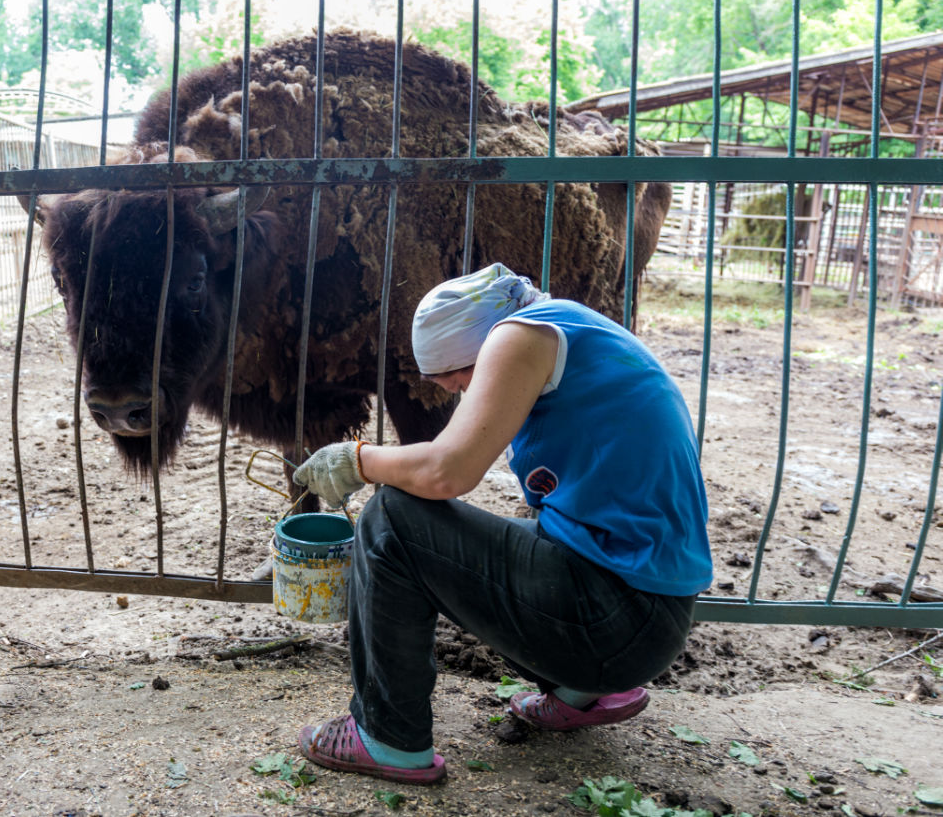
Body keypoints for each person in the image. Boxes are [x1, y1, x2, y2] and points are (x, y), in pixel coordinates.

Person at [291, 262, 712, 785]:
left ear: (479, 348)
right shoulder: (572, 328)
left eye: (458, 377)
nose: (458, 392)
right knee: (521, 534)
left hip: (619, 622)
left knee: (391, 520)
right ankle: (583, 690)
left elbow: (448, 471)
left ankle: (388, 737)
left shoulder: (519, 336)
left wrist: (355, 460)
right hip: (648, 616)